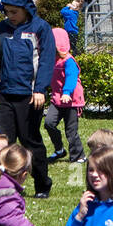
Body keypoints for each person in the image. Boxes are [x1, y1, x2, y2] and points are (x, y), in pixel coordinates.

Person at [0, 0, 56, 199]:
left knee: (30, 141)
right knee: (4, 142)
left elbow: (46, 61)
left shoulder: (41, 28)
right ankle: (3, 185)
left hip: (30, 97)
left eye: (14, 12)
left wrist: (40, 89)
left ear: (26, 8)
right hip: (6, 94)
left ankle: (42, 184)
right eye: (7, 12)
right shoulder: (2, 29)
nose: (10, 16)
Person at [44, 27, 85, 164]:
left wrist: (67, 92)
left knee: (71, 131)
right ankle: (59, 150)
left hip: (71, 101)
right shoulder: (53, 60)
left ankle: (78, 155)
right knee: (49, 123)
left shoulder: (69, 61)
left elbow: (71, 77)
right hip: (57, 100)